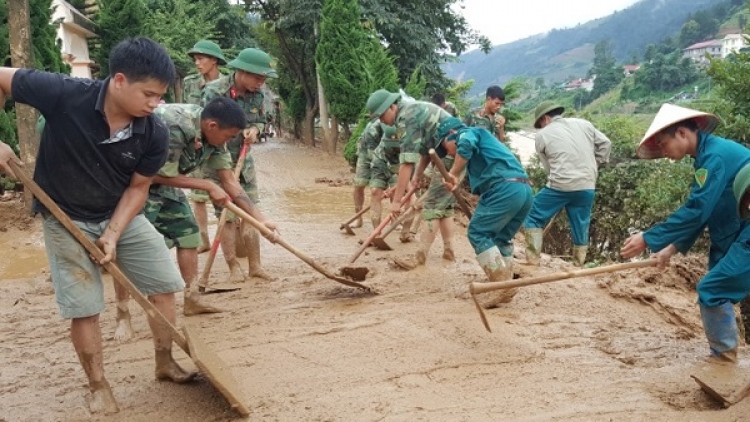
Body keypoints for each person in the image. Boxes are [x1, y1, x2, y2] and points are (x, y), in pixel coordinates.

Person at [0, 37, 193, 414]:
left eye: (160, 96)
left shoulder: (153, 131)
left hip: (119, 212)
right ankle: (98, 384)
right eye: (149, 94)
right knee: (84, 305)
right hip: (64, 215)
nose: (155, 104)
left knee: (165, 285)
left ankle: (165, 361)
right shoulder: (63, 93)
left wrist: (113, 233)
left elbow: (139, 188)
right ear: (119, 80)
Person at [112, 99, 278, 341]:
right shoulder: (172, 126)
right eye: (228, 136)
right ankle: (122, 314)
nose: (229, 141)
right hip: (132, 185)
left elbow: (230, 181)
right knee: (130, 248)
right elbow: (155, 175)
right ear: (211, 125)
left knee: (188, 235)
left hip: (167, 184)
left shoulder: (215, 136)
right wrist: (206, 185)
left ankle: (192, 299)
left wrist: (261, 221)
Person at [622, 104, 750, 363]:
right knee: (719, 282)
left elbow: (697, 210)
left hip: (743, 232)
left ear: (682, 133)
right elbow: (705, 212)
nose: (665, 153)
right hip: (737, 233)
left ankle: (724, 361)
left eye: (663, 143)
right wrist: (670, 249)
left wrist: (649, 237)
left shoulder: (714, 157)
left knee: (713, 288)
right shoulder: (709, 156)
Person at [200, 47, 277, 283]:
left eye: (264, 78)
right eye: (257, 77)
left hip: (244, 159)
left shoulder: (259, 94)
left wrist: (256, 130)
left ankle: (255, 266)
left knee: (249, 208)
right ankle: (233, 266)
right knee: (227, 215)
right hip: (216, 158)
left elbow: (263, 120)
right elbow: (207, 126)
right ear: (241, 72)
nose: (261, 82)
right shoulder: (215, 91)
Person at [439, 117, 533, 307]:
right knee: (501, 239)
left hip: (504, 188)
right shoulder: (483, 142)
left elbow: (465, 144)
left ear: (451, 134)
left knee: (477, 232)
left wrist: (454, 173)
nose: (448, 153)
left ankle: (502, 286)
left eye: (445, 147)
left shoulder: (467, 133)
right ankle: (504, 286)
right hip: (523, 190)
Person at [522, 101, 611, 266]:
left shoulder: (542, 135)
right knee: (580, 223)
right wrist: (596, 164)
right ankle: (579, 264)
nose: (541, 127)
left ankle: (532, 261)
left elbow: (549, 170)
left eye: (540, 123)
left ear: (546, 118)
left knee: (532, 216)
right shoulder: (584, 124)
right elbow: (606, 144)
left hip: (560, 185)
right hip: (587, 184)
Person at [364, 89, 452, 222]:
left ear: (392, 107)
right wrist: (417, 175)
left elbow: (406, 163)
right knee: (438, 207)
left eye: (382, 116)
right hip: (442, 150)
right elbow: (426, 149)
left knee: (434, 207)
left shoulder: (406, 118)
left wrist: (396, 202)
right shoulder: (405, 113)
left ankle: (417, 235)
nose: (382, 121)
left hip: (453, 148)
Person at [183, 40, 228, 254]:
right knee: (198, 196)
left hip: (221, 145)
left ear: (215, 60)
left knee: (227, 192)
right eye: (195, 60)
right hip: (197, 145)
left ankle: (230, 240)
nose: (197, 63)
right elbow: (186, 111)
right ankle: (203, 239)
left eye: (201, 59)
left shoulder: (228, 83)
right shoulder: (190, 82)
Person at [368, 124, 416, 241]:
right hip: (380, 162)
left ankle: (405, 232)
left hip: (404, 164)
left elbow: (404, 173)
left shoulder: (410, 144)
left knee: (410, 197)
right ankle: (377, 232)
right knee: (375, 192)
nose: (394, 148)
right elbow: (397, 171)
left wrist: (411, 193)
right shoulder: (386, 147)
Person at [352, 118, 383, 229]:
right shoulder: (372, 128)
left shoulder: (397, 125)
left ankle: (394, 220)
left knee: (392, 186)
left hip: (386, 153)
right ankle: (358, 219)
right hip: (366, 152)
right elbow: (372, 155)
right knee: (359, 184)